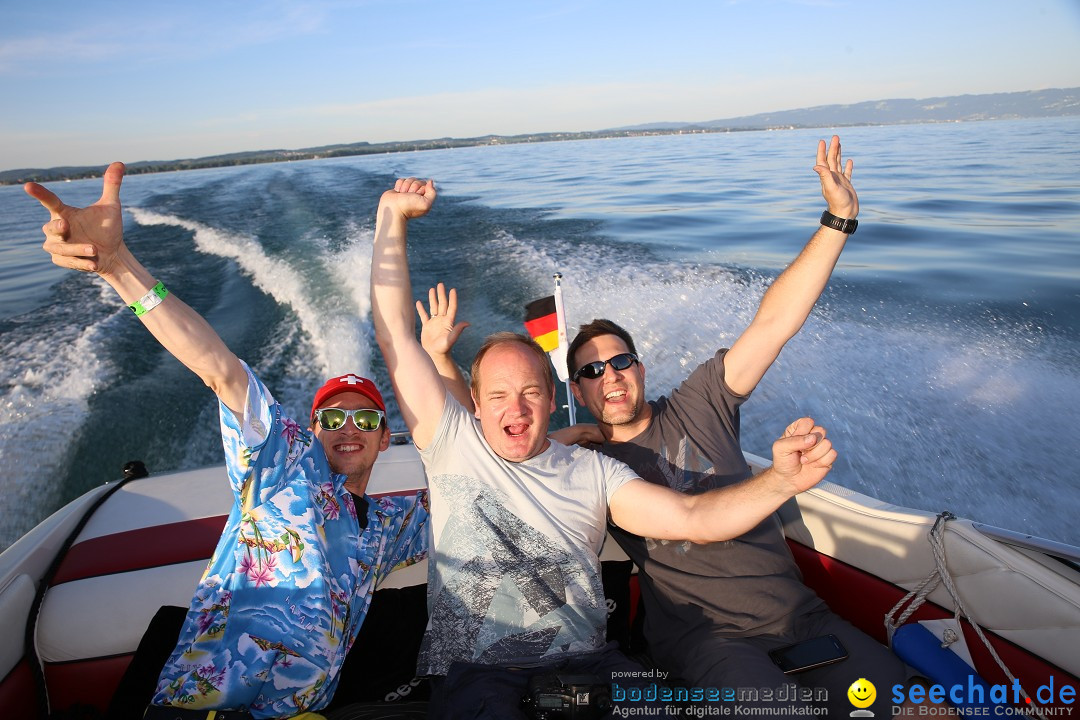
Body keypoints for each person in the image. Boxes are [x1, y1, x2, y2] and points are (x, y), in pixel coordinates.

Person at [370, 177, 840, 719]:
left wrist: (781, 481)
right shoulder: (453, 444)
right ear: (474, 404)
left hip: (591, 668)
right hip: (480, 673)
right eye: (497, 396)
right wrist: (392, 217)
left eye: (529, 393)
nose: (514, 409)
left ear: (553, 399)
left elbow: (691, 516)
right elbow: (393, 337)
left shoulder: (595, 470)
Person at [24, 164, 429, 720]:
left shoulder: (393, 526)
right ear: (312, 434)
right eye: (332, 420)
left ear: (387, 439)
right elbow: (218, 367)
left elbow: (472, 475)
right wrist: (119, 267)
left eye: (364, 419)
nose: (348, 429)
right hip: (204, 708)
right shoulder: (282, 467)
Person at [558, 136, 908, 717]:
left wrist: (838, 220)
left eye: (621, 361)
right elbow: (502, 456)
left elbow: (773, 324)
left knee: (922, 710)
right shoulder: (588, 465)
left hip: (802, 616)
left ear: (640, 370)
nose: (611, 376)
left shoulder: (701, 401)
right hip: (709, 643)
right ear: (578, 390)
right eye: (592, 371)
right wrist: (569, 438)